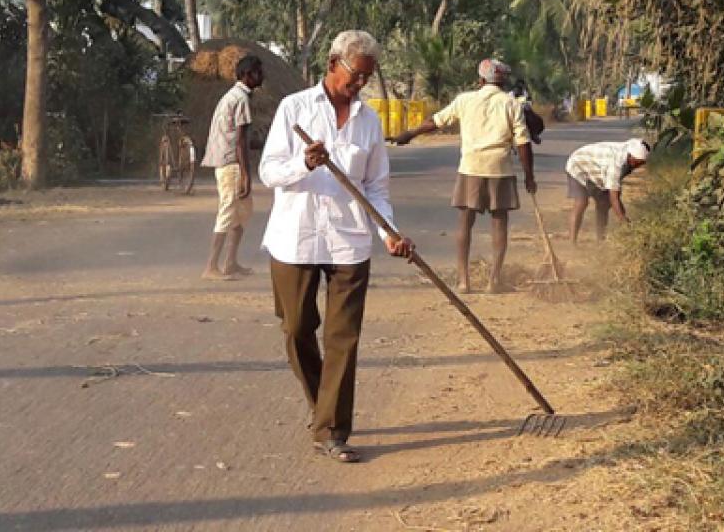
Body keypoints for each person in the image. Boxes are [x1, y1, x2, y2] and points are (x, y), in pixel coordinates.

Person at [260, 30, 414, 464]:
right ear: (332, 65)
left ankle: (332, 429)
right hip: (296, 238)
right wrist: (302, 163)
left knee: (343, 337)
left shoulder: (369, 121)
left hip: (349, 242)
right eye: (354, 75)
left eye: (366, 77)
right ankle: (321, 405)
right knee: (295, 329)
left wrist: (390, 234)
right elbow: (269, 172)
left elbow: (375, 188)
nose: (359, 84)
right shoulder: (294, 109)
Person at [395, 59, 535, 294]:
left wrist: (410, 134)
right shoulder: (511, 103)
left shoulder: (465, 100)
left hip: (471, 166)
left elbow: (436, 121)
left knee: (465, 223)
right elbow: (523, 143)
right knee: (499, 223)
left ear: (480, 80)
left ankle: (463, 281)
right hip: (499, 168)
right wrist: (529, 176)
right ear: (502, 81)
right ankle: (494, 281)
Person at [201, 55, 264, 280]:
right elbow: (239, 140)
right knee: (228, 210)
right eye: (258, 72)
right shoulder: (241, 99)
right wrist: (246, 175)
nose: (262, 76)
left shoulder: (233, 96)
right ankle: (211, 266)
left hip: (228, 161)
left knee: (242, 212)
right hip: (231, 164)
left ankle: (230, 263)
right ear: (247, 75)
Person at [566, 138, 650, 244]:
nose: (639, 166)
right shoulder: (616, 164)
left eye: (642, 163)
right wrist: (623, 220)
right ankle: (572, 243)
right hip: (578, 165)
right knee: (581, 202)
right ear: (630, 157)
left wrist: (622, 216)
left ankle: (600, 240)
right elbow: (614, 198)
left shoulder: (631, 151)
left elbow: (615, 194)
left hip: (598, 170)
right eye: (638, 163)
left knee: (604, 203)